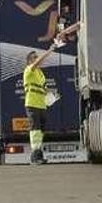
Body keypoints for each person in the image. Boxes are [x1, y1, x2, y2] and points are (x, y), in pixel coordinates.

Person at [23, 21, 81, 165]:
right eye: (34, 57)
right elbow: (38, 63)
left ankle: (38, 154)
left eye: (36, 57)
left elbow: (42, 88)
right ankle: (35, 155)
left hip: (42, 105)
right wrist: (51, 49)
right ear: (30, 60)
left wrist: (52, 95)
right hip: (32, 104)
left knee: (40, 131)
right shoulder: (29, 70)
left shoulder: (40, 74)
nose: (37, 59)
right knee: (35, 130)